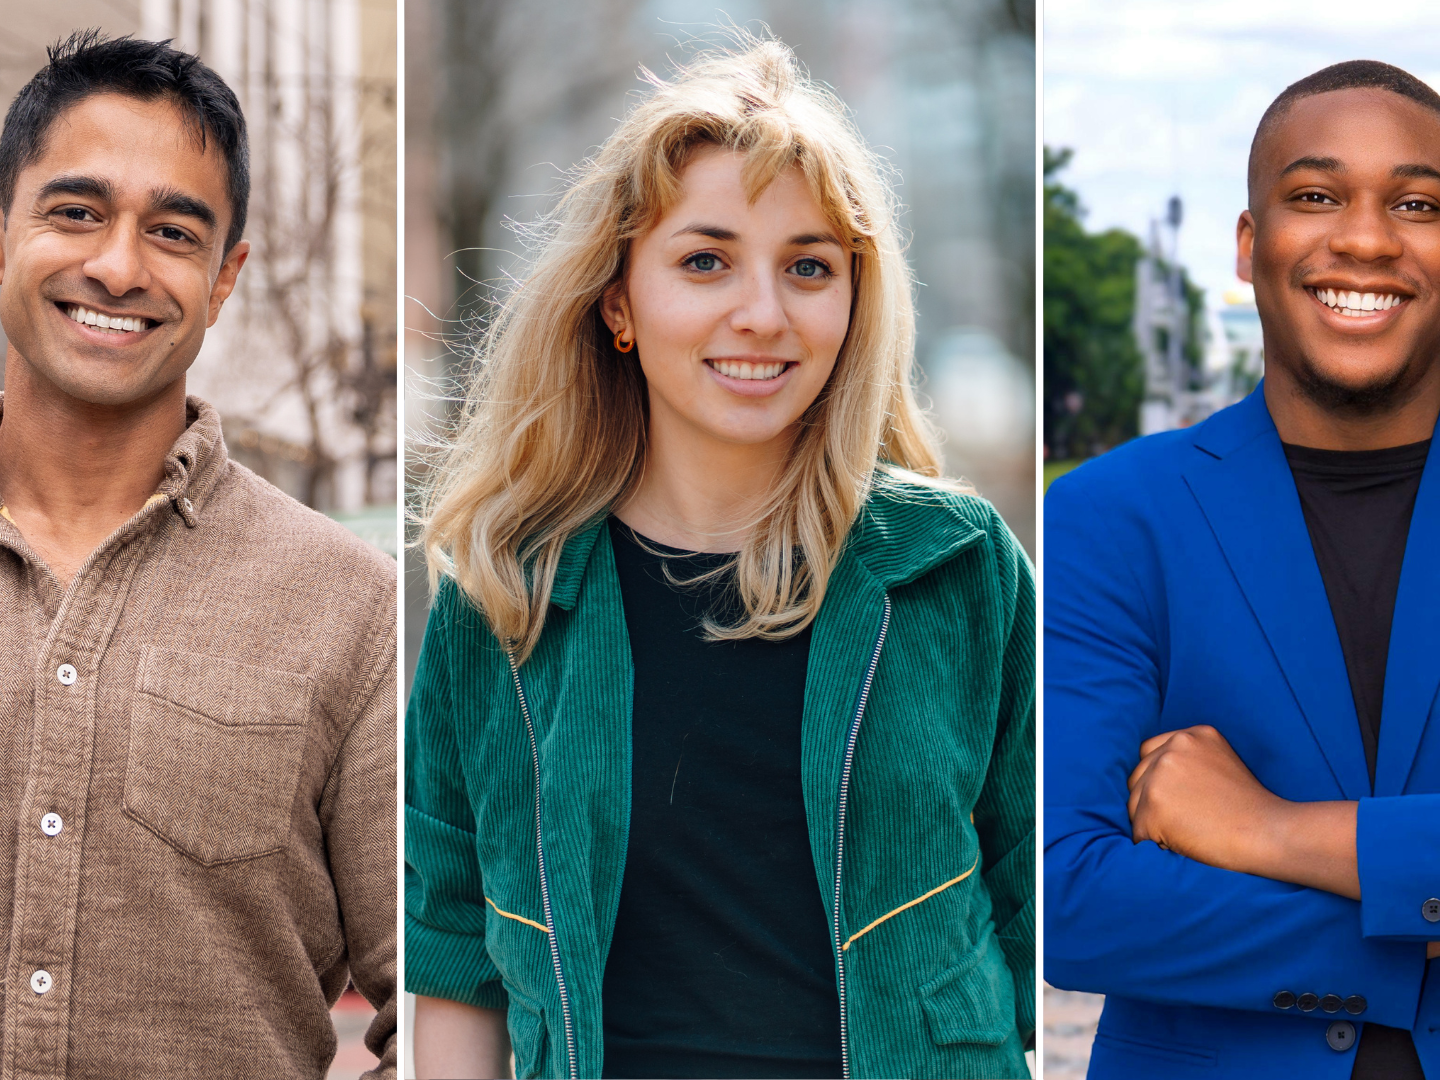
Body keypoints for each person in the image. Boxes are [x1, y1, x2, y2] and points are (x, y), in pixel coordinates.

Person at [405, 37, 1034, 1080]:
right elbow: (454, 955)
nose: (763, 313)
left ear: (852, 302)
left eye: (809, 267)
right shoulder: (500, 594)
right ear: (618, 302)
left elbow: (1032, 913)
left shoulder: (958, 570)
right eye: (705, 260)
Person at [0, 32, 396, 1079]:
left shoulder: (354, 610)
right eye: (76, 212)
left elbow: (441, 1005)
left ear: (225, 279)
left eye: (172, 230)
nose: (117, 266)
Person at [1045, 60, 1440, 1080]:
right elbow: (1069, 902)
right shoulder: (1108, 516)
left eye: (1416, 203)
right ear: (1249, 245)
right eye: (1315, 196)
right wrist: (1409, 958)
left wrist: (1266, 831)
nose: (1365, 237)